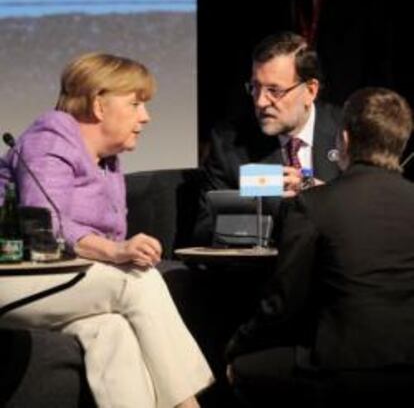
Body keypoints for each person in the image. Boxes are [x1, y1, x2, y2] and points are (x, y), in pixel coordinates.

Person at [0, 52, 213, 408]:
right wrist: (115, 252)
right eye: (135, 104)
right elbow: (45, 227)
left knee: (111, 331)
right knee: (137, 282)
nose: (145, 117)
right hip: (13, 278)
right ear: (99, 104)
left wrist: (117, 250)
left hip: (60, 281)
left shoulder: (107, 161)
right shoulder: (49, 141)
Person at [225, 87, 414, 405]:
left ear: (345, 140)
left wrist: (237, 344)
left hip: (339, 367)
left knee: (241, 369)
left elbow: (282, 303)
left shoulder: (314, 205)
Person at [194, 31, 343, 245]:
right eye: (255, 88)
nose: (261, 102)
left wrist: (325, 197)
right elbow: (207, 230)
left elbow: (375, 213)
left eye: (274, 90)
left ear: (310, 90)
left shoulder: (348, 133)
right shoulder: (229, 143)